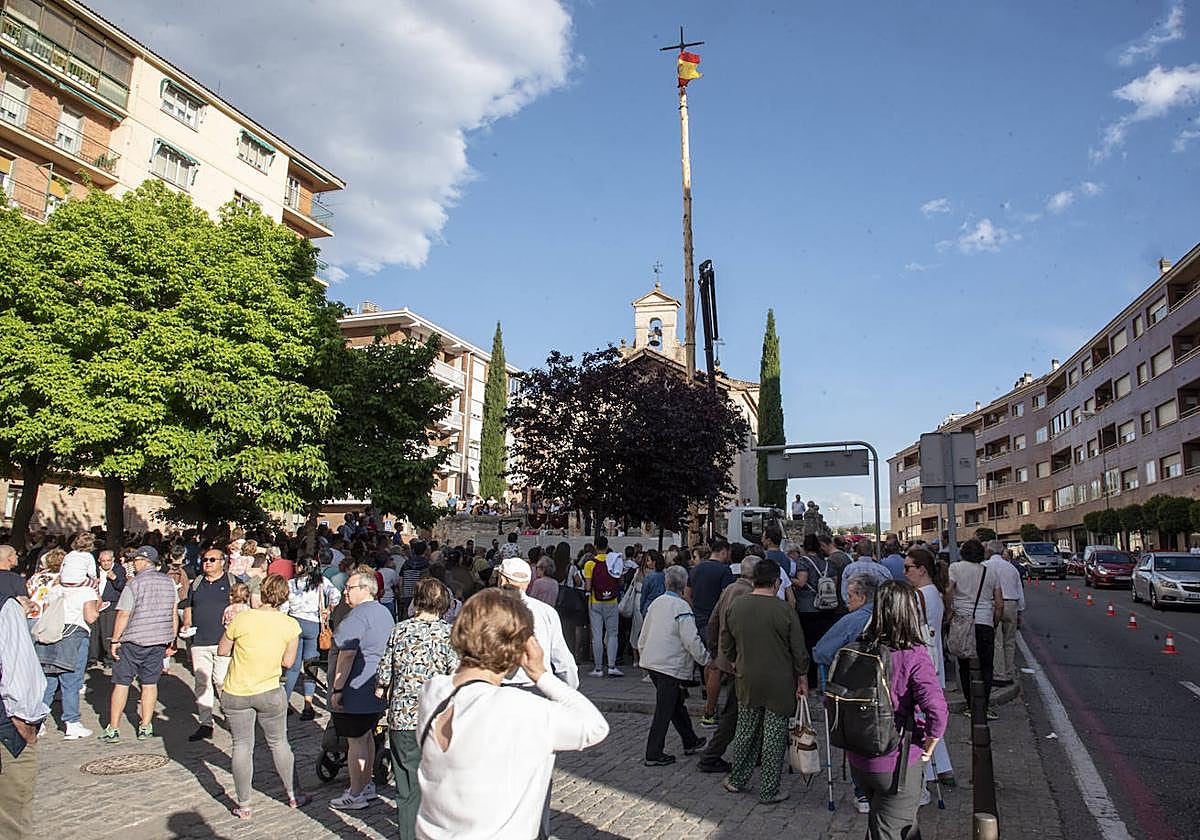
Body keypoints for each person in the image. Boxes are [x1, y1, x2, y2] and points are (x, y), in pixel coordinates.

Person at [415, 589, 609, 839]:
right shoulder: (520, 709)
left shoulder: (433, 692)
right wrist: (542, 674)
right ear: (521, 646)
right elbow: (594, 727)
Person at [844, 580, 948, 840]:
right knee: (893, 829)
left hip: (859, 756)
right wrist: (930, 745)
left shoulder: (857, 648)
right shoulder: (913, 655)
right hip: (896, 760)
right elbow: (936, 709)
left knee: (890, 825)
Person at [218, 573, 310, 819]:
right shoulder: (290, 624)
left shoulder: (243, 618)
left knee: (242, 746)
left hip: (237, 689)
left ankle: (244, 803)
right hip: (269, 689)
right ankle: (294, 794)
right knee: (279, 743)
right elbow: (289, 662)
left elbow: (223, 649)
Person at [720, 559, 809, 804]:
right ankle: (769, 788)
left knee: (745, 730)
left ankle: (738, 778)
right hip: (779, 681)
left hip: (747, 677)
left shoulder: (736, 606)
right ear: (776, 582)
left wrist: (734, 660)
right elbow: (799, 650)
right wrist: (802, 678)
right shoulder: (784, 610)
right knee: (774, 735)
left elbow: (725, 641)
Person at [376, 578, 459, 840]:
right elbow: (457, 675)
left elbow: (383, 676)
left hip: (403, 715)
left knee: (407, 783)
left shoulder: (399, 631)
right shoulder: (448, 634)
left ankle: (409, 834)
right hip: (437, 718)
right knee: (439, 782)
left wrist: (384, 688)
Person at [98, 546, 178, 743]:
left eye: (135, 561)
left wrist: (115, 639)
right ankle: (145, 725)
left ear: (143, 562)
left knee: (122, 683)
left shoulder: (134, 584)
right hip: (158, 639)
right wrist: (171, 639)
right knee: (150, 683)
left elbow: (124, 613)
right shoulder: (169, 582)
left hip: (133, 639)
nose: (133, 564)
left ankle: (114, 727)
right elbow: (173, 613)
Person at [329, 570, 393, 811]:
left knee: (356, 741)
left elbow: (346, 655)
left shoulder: (358, 617)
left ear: (365, 589)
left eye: (350, 587)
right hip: (375, 685)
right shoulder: (384, 612)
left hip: (357, 686)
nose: (346, 592)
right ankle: (365, 784)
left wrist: (337, 688)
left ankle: (356, 791)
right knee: (366, 737)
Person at [637, 565, 709, 767]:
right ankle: (653, 752)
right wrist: (705, 659)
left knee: (675, 704)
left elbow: (644, 632)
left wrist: (643, 654)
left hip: (653, 662)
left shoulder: (657, 603)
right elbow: (690, 640)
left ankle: (690, 740)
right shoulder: (682, 608)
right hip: (669, 664)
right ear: (684, 585)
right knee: (665, 710)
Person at [697, 555, 756, 773]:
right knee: (733, 712)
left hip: (726, 657)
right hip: (741, 661)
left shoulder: (729, 589)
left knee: (738, 709)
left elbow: (714, 621)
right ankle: (711, 755)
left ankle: (752, 751)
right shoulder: (750, 595)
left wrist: (716, 650)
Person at [904, 546, 955, 790]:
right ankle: (943, 767)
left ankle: (930, 771)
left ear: (922, 570)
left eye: (908, 568)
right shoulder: (935, 592)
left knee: (921, 718)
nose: (905, 573)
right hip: (935, 661)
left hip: (921, 662)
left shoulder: (918, 596)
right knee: (932, 714)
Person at [0, 589, 49, 840]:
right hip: (6, 730)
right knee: (11, 820)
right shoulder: (6, 607)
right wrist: (27, 722)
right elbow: (19, 672)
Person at [37, 558, 99, 740]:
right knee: (71, 681)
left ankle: (38, 722)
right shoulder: (86, 591)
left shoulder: (55, 590)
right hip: (74, 635)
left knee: (49, 681)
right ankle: (71, 722)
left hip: (51, 636)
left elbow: (46, 612)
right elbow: (91, 617)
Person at [498, 557, 579, 689]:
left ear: (502, 580)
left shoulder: (488, 611)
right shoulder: (547, 612)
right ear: (528, 582)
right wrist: (569, 690)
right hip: (539, 685)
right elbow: (563, 660)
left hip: (500, 688)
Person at [180, 548, 234, 742]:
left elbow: (241, 608)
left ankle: (231, 717)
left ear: (223, 562)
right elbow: (189, 606)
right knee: (202, 683)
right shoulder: (197, 583)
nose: (208, 563)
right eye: (205, 559)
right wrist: (187, 624)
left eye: (212, 559)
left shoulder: (232, 582)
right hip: (200, 640)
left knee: (221, 681)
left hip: (224, 641)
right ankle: (205, 723)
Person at [946, 538, 1004, 718]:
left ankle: (970, 705)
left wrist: (949, 612)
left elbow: (949, 591)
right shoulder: (990, 572)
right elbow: (999, 603)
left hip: (963, 621)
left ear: (962, 553)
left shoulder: (955, 568)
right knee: (986, 666)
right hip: (984, 621)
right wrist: (994, 621)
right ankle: (984, 705)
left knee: (964, 665)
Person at [283, 555, 340, 720]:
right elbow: (336, 595)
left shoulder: (291, 584)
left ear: (301, 567)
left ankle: (285, 702)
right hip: (313, 623)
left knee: (292, 666)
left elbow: (284, 606)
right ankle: (308, 705)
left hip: (294, 623)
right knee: (311, 664)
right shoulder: (321, 582)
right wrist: (328, 609)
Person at [984, 540, 1024, 687]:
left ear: (988, 551)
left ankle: (999, 673)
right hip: (1011, 603)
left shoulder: (985, 566)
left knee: (997, 640)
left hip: (994, 603)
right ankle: (1009, 671)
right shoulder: (1011, 568)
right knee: (1010, 640)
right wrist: (1020, 610)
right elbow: (1019, 590)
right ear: (1002, 552)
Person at [583, 535, 623, 677]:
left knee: (597, 635)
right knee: (613, 634)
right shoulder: (615, 561)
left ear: (595, 547)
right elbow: (620, 581)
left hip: (595, 601)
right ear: (607, 546)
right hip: (612, 601)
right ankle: (612, 666)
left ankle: (598, 668)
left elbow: (588, 585)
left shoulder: (590, 564)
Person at [90, 549, 126, 666]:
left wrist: (115, 579)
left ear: (113, 560)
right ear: (99, 561)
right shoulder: (94, 570)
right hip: (95, 603)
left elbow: (123, 587)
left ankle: (109, 658)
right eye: (103, 561)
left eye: (108, 561)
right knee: (94, 633)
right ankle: (92, 658)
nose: (105, 563)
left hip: (110, 604)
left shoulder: (119, 569)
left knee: (107, 632)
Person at [398, 540, 430, 618]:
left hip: (407, 593)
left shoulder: (406, 563)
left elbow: (401, 579)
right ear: (425, 551)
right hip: (419, 594)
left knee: (406, 616)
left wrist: (401, 593)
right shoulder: (426, 564)